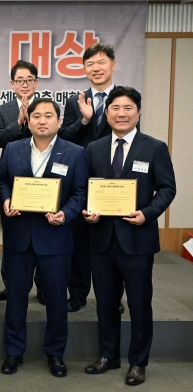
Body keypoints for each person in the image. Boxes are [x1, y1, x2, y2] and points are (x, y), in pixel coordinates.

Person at [83, 86, 176, 386]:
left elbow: (167, 189)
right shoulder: (94, 148)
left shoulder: (154, 147)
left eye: (128, 108)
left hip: (137, 238)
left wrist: (147, 213)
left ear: (138, 112)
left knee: (139, 304)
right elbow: (86, 189)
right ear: (107, 113)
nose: (121, 114)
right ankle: (108, 356)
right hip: (101, 239)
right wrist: (88, 210)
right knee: (106, 302)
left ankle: (138, 362)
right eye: (115, 108)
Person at [0, 98, 87, 377]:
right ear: (29, 120)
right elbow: (0, 181)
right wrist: (7, 199)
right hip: (19, 238)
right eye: (36, 116)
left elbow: (81, 192)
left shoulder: (75, 153)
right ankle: (13, 351)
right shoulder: (13, 149)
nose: (42, 120)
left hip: (56, 238)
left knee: (57, 300)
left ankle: (56, 354)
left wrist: (66, 213)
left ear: (59, 122)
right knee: (16, 299)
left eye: (49, 115)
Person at [60, 43, 125, 314]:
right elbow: (64, 137)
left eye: (101, 62)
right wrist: (84, 120)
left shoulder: (124, 99)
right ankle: (77, 293)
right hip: (80, 181)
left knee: (114, 242)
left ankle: (112, 297)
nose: (96, 68)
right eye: (89, 64)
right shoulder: (77, 100)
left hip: (112, 182)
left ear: (112, 65)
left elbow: (127, 137)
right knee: (80, 241)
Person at [0, 60, 40, 303]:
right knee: (12, 235)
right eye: (19, 80)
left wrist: (33, 118)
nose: (24, 84)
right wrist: (19, 122)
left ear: (36, 82)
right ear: (12, 84)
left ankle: (43, 288)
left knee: (44, 234)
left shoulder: (44, 107)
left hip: (42, 182)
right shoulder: (2, 111)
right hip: (11, 179)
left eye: (29, 80)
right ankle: (11, 286)